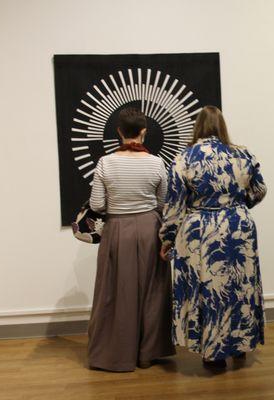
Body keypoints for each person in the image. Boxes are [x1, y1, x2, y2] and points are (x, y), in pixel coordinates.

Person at [159, 106, 267, 369]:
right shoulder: (243, 154)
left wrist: (167, 238)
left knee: (209, 290)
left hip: (202, 230)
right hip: (238, 225)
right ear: (222, 126)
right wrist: (240, 206)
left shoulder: (185, 158)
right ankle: (240, 347)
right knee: (240, 286)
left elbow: (174, 204)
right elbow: (260, 189)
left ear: (197, 127)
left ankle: (213, 352)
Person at [87, 107, 175, 372]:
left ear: (118, 132)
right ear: (144, 132)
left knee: (115, 293)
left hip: (116, 230)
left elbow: (97, 204)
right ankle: (148, 354)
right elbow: (163, 202)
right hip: (150, 228)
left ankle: (117, 354)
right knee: (153, 291)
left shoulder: (105, 163)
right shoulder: (157, 163)